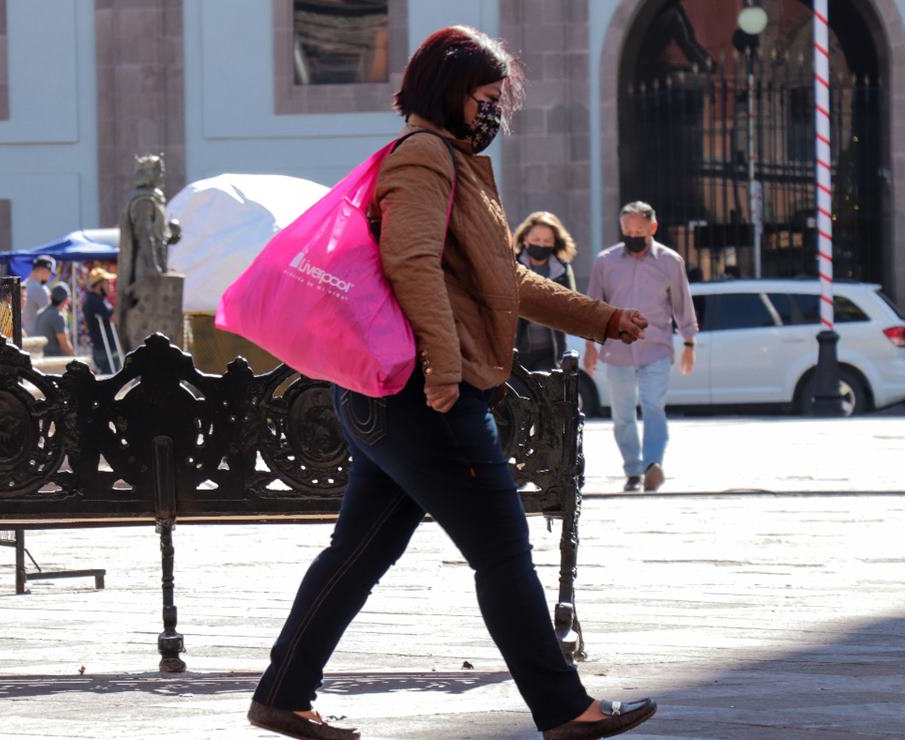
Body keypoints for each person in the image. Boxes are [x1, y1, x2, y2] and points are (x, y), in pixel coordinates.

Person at [248, 26, 657, 740]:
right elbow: (410, 264)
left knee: (359, 552)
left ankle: (282, 694)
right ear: (449, 89)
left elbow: (501, 277)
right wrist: (441, 366)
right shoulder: (424, 158)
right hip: (424, 397)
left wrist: (598, 319)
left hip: (393, 401)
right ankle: (563, 707)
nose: (493, 113)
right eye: (485, 98)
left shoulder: (447, 163)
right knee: (500, 550)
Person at [584, 201, 698, 493]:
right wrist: (591, 346)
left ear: (653, 228)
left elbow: (682, 304)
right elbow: (594, 306)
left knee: (653, 406)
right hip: (617, 349)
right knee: (622, 415)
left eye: (639, 230)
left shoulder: (671, 261)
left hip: (656, 347)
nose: (633, 235)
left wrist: (688, 343)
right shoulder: (605, 262)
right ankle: (633, 470)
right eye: (628, 230)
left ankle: (652, 465)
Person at [513, 211, 579, 372]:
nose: (541, 245)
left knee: (546, 396)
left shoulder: (562, 269)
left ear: (554, 243)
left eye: (547, 241)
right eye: (536, 239)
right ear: (525, 239)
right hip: (516, 349)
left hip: (550, 351)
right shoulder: (511, 264)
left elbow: (571, 306)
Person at [83, 266, 122, 373]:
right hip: (106, 349)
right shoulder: (98, 302)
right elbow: (114, 318)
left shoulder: (90, 299)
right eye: (108, 283)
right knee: (111, 381)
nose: (111, 287)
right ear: (99, 285)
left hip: (99, 348)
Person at [35, 282, 73, 357]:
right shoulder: (58, 316)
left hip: (41, 358)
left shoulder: (40, 313)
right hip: (55, 361)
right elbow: (65, 346)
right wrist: (76, 359)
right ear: (66, 300)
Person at [22, 255, 55, 335]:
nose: (50, 276)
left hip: (22, 336)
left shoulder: (22, 285)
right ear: (44, 270)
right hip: (37, 338)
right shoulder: (40, 289)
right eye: (50, 272)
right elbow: (50, 315)